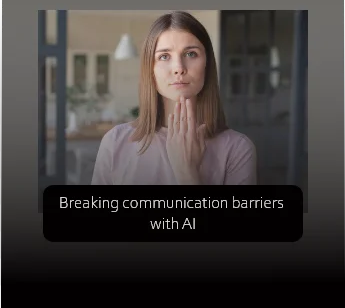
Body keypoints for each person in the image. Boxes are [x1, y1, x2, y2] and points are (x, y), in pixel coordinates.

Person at [91, 11, 257, 185]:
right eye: (164, 56)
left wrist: (187, 173)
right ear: (151, 70)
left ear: (207, 65)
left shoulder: (238, 149)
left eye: (191, 54)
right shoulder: (115, 142)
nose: (178, 68)